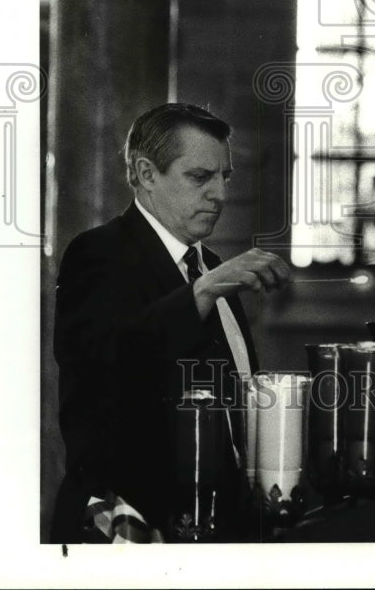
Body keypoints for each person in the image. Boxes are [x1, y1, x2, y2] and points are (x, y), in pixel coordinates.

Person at [50, 103, 291, 542]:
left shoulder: (211, 268)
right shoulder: (98, 253)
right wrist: (204, 290)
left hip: (214, 528)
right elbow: (111, 368)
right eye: (200, 177)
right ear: (145, 174)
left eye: (225, 177)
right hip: (124, 528)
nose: (219, 194)